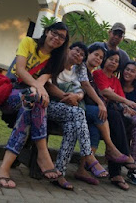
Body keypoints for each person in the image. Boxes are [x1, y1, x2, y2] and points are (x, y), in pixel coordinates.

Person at [0, 22, 69, 188]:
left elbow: (42, 80)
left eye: (62, 37)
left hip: (29, 99)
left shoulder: (56, 60)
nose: (56, 38)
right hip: (10, 93)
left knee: (30, 104)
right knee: (34, 98)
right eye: (54, 33)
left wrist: (39, 90)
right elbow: (21, 70)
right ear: (47, 31)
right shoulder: (28, 42)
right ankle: (43, 154)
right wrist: (39, 90)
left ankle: (4, 168)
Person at [45, 42, 109, 190]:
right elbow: (48, 85)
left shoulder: (78, 69)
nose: (78, 55)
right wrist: (68, 97)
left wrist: (78, 96)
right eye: (77, 51)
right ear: (69, 49)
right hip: (49, 106)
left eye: (81, 55)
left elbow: (82, 89)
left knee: (72, 127)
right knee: (79, 112)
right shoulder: (56, 62)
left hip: (67, 110)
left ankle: (59, 174)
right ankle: (89, 155)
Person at [78, 44, 136, 188]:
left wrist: (127, 107)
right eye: (110, 59)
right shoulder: (96, 74)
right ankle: (117, 160)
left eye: (116, 61)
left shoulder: (114, 80)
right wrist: (125, 102)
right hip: (98, 111)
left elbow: (119, 98)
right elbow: (104, 92)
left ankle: (107, 169)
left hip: (103, 112)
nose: (113, 62)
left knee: (121, 121)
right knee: (114, 118)